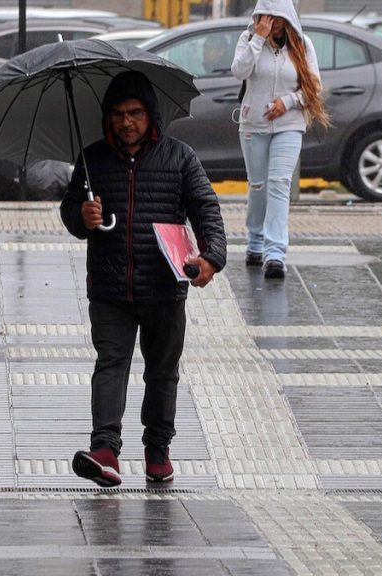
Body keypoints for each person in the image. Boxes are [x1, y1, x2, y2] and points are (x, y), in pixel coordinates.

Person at [60, 70, 227, 487]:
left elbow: (205, 208)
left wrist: (211, 258)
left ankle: (158, 450)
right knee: (111, 364)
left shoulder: (180, 157)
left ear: (151, 115)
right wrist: (82, 215)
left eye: (134, 112)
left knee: (162, 372)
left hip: (164, 287)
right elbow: (70, 211)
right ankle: (105, 451)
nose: (126, 121)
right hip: (109, 286)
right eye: (117, 113)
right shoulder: (92, 160)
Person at [231, 0, 329, 279]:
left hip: (289, 124)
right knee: (258, 186)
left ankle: (275, 254)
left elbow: (314, 87)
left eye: (278, 16)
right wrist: (258, 39)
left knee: (279, 183)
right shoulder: (248, 38)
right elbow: (239, 71)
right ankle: (255, 242)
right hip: (253, 123)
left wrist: (288, 102)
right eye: (267, 16)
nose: (273, 22)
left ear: (287, 17)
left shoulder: (301, 43)